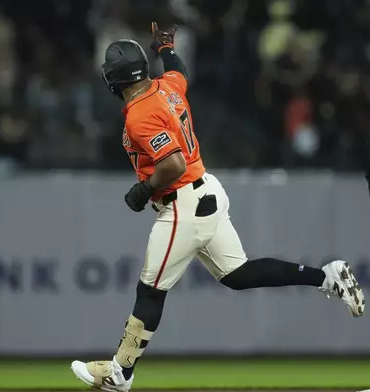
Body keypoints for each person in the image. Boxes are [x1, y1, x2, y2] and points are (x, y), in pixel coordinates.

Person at [70, 22, 365, 392]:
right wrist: (166, 47)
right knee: (237, 275)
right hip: (206, 188)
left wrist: (143, 190)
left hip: (183, 202)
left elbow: (172, 164)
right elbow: (180, 72)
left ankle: (120, 372)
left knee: (150, 289)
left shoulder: (139, 114)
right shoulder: (166, 87)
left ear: (113, 80)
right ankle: (327, 277)